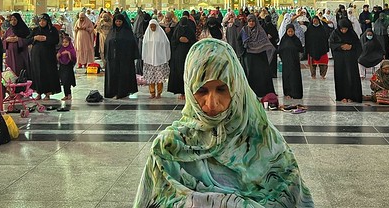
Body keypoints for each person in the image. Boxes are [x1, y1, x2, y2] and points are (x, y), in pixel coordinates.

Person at [133, 38, 314, 207]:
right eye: (202, 91)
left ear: (237, 87)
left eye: (222, 89)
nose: (212, 103)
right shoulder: (169, 148)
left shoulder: (267, 143)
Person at [239, 15, 276, 98]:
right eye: (249, 21)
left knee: (261, 74)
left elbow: (265, 42)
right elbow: (239, 40)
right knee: (250, 74)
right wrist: (243, 50)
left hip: (260, 56)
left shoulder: (260, 31)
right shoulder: (244, 30)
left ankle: (262, 92)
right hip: (249, 56)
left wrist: (260, 48)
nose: (251, 23)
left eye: (253, 21)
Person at [26, 13, 61, 100]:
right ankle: (38, 92)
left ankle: (47, 93)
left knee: (47, 73)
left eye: (44, 21)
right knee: (37, 73)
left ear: (47, 21)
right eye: (40, 21)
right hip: (36, 56)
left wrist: (46, 39)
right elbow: (27, 40)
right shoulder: (35, 30)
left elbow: (56, 40)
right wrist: (35, 38)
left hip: (48, 56)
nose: (42, 22)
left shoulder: (52, 30)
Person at [104, 13, 138, 99]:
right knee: (113, 75)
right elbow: (107, 43)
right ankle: (112, 91)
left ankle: (123, 92)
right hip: (113, 59)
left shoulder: (127, 32)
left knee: (123, 75)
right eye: (116, 21)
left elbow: (131, 44)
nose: (118, 23)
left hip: (124, 59)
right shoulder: (112, 31)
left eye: (120, 21)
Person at [329, 18, 362, 103]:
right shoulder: (335, 33)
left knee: (351, 77)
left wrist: (351, 47)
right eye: (342, 29)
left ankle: (352, 96)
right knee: (341, 77)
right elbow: (331, 44)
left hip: (350, 59)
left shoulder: (352, 34)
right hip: (340, 60)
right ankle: (342, 96)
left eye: (345, 29)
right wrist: (340, 46)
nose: (343, 31)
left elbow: (358, 44)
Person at [168, 16, 197, 100]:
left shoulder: (190, 31)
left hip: (188, 55)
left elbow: (194, 42)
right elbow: (172, 42)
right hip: (178, 56)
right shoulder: (177, 30)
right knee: (179, 73)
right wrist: (178, 40)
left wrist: (188, 41)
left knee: (187, 73)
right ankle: (181, 92)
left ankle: (187, 91)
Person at [142, 19, 171, 99]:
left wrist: (166, 56)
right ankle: (152, 93)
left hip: (160, 60)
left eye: (154, 26)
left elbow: (166, 44)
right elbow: (144, 46)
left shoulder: (161, 35)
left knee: (159, 78)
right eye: (151, 27)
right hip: (149, 60)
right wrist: (144, 57)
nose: (152, 28)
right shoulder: (147, 35)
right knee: (151, 78)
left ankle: (159, 93)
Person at [277, 24, 304, 99]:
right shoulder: (284, 39)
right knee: (287, 77)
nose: (290, 33)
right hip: (286, 62)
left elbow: (301, 49)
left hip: (295, 62)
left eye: (292, 31)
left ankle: (296, 93)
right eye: (289, 31)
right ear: (286, 31)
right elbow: (280, 50)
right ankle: (287, 93)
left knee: (295, 77)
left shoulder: (296, 39)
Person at [304, 15, 331, 79]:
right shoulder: (309, 29)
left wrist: (327, 47)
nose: (315, 22)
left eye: (316, 20)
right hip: (312, 49)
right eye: (314, 21)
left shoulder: (322, 29)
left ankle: (323, 75)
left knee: (323, 63)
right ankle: (313, 75)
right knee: (312, 64)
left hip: (322, 48)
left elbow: (325, 38)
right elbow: (307, 39)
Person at [56, 34, 77, 100]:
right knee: (64, 81)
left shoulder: (71, 50)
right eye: (63, 42)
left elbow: (73, 59)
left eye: (66, 42)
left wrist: (68, 53)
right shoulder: (61, 50)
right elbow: (58, 59)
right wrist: (58, 56)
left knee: (68, 81)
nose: (64, 44)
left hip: (68, 67)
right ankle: (65, 95)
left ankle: (69, 94)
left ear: (69, 42)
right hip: (62, 68)